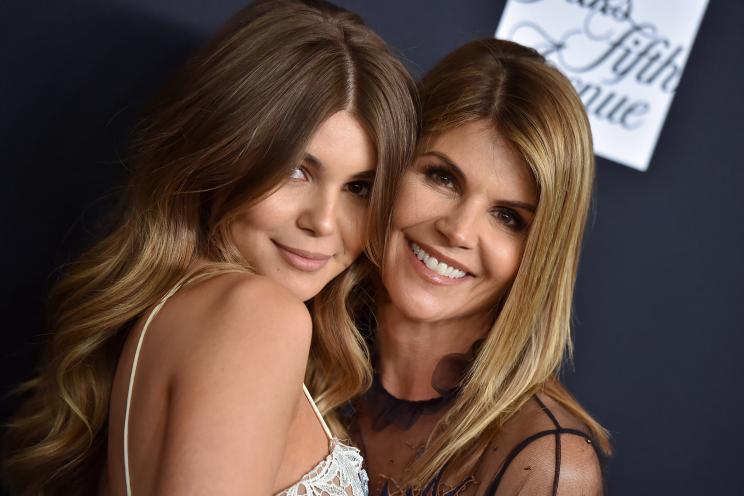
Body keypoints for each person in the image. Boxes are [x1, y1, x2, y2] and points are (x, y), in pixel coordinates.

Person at [2, 1, 418, 494]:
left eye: (360, 188)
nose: (323, 221)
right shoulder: (259, 316)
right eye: (295, 170)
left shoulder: (184, 310)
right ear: (222, 154)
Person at [340, 39, 611, 495]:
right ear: (391, 163)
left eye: (508, 217)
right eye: (442, 177)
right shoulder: (296, 347)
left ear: (541, 254)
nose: (459, 231)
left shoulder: (545, 462)